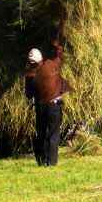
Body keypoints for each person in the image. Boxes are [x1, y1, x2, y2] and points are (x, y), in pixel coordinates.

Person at [25, 25, 72, 166]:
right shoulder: (50, 65)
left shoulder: (29, 75)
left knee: (41, 134)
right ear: (41, 60)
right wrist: (56, 39)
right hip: (53, 106)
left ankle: (41, 161)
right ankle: (51, 163)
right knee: (53, 134)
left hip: (39, 107)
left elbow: (28, 95)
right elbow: (59, 54)